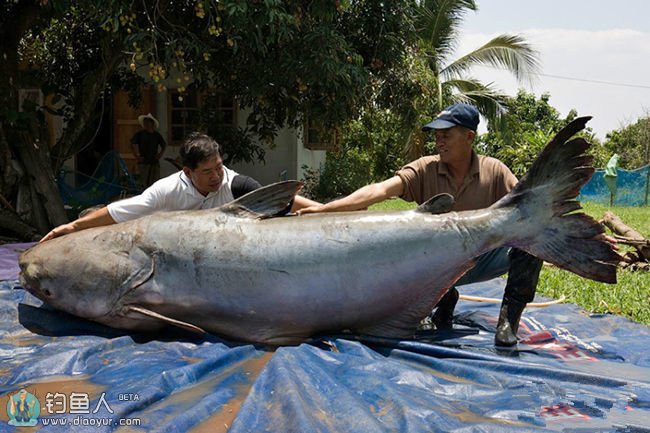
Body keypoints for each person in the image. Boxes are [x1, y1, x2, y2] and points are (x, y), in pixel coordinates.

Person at [298, 103, 543, 346]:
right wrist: (324, 209)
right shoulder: (426, 168)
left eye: (446, 135)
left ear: (469, 137)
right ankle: (442, 299)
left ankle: (508, 321)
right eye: (437, 136)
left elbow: (527, 206)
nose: (439, 142)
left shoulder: (495, 171)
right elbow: (380, 190)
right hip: (434, 265)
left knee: (531, 240)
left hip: (482, 258)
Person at [41, 132, 320, 242]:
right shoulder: (165, 192)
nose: (216, 176)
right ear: (187, 172)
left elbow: (283, 200)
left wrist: (327, 210)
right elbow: (117, 212)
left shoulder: (236, 184)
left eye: (219, 167)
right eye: (208, 172)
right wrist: (73, 228)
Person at [131, 113, 167, 188]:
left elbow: (164, 145)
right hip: (143, 162)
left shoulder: (156, 135)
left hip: (154, 161)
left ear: (152, 123)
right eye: (145, 122)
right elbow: (132, 144)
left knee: (154, 183)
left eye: (148, 122)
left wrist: (160, 155)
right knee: (143, 183)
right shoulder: (140, 134)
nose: (146, 124)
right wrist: (137, 155)